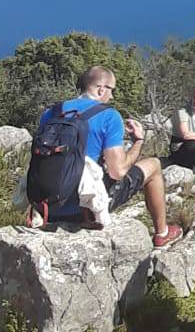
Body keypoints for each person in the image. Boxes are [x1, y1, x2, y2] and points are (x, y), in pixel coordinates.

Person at [50, 65, 181, 247]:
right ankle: (162, 233)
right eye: (111, 90)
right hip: (83, 207)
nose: (111, 96)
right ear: (101, 89)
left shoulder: (52, 112)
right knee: (154, 165)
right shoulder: (109, 116)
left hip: (48, 204)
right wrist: (138, 141)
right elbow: (117, 172)